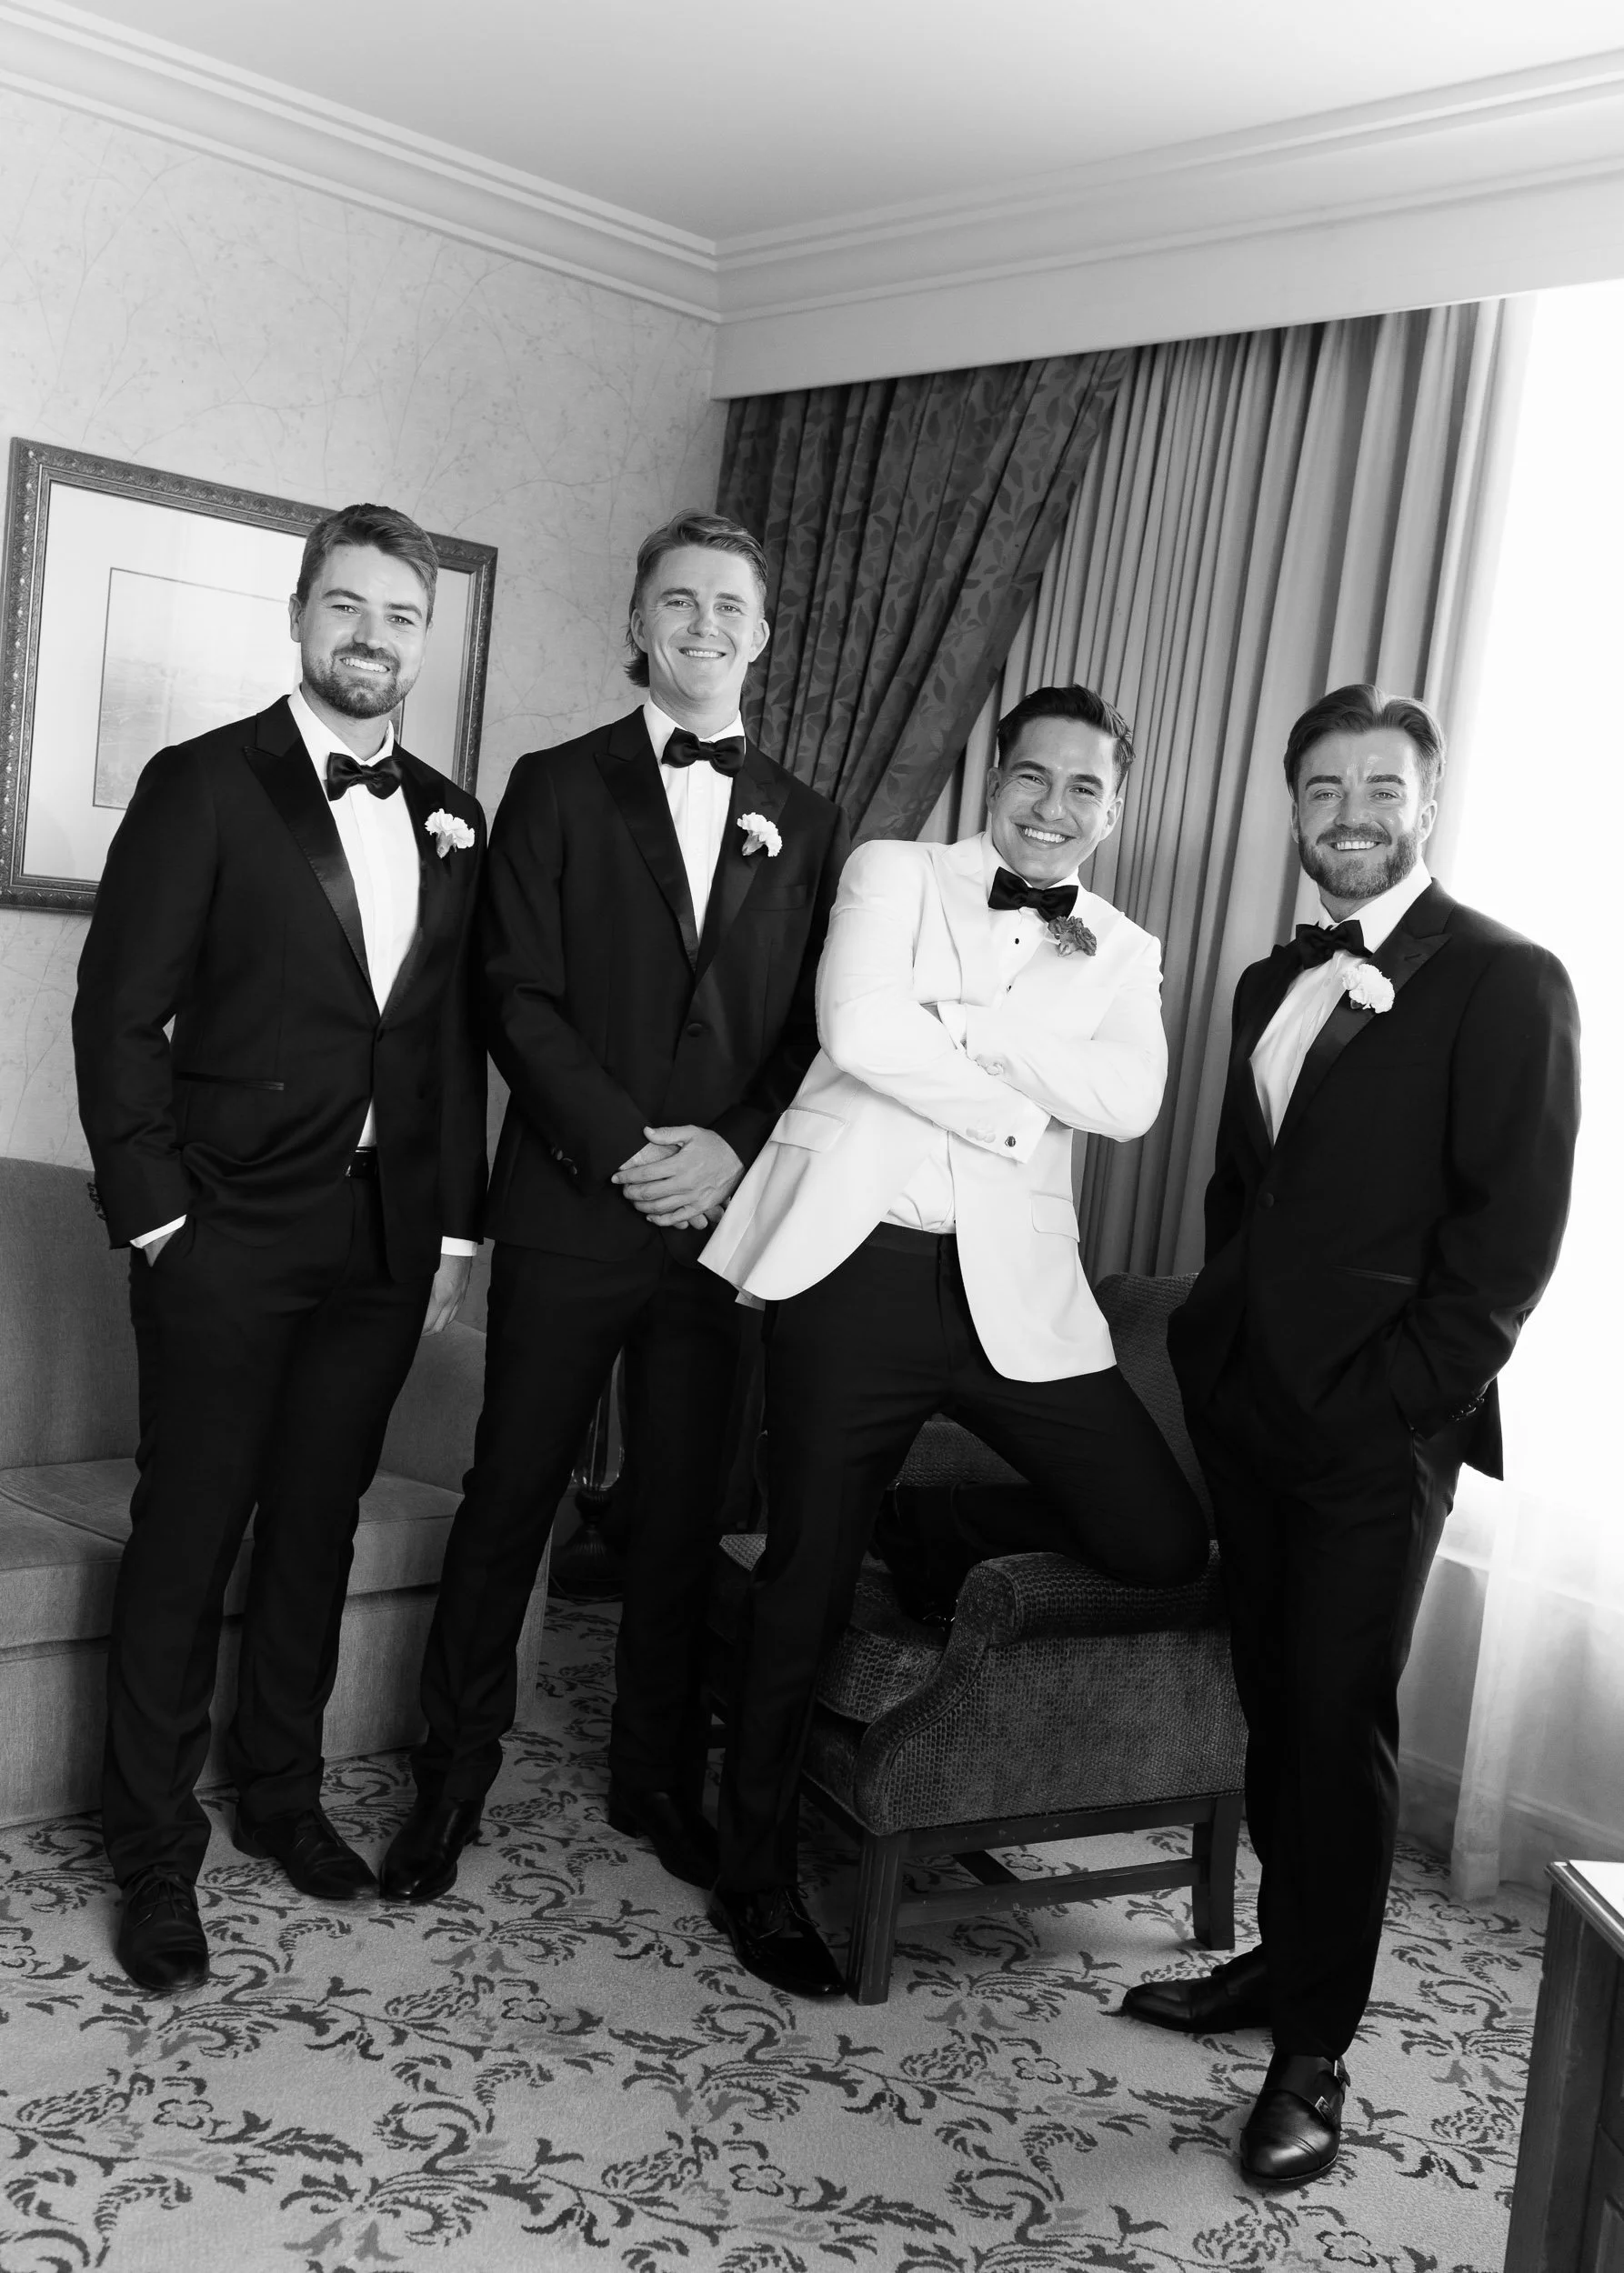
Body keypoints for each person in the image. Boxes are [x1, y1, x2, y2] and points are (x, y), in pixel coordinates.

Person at [1121, 684, 1580, 2187]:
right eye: (1321, 791)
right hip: (1247, 1408)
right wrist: (1213, 1350)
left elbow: (1507, 1240)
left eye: (1380, 788)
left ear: (1426, 802)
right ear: (1293, 811)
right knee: (1272, 1703)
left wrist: (1399, 1408)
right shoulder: (1270, 978)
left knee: (1338, 1724)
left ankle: (1314, 2053)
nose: (1350, 815)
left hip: (1378, 1435)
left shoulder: (1506, 979)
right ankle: (1279, 1963)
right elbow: (1245, 1194)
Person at [701, 683, 1211, 1997]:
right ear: (995, 777)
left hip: (1015, 1291)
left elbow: (1131, 1100)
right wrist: (1021, 1090)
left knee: (1157, 1537)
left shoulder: (1125, 947)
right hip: (854, 1269)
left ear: (1114, 807)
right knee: (805, 1580)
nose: (1054, 806)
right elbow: (856, 1029)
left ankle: (923, 1532)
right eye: (1033, 776)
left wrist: (967, 1024)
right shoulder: (895, 871)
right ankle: (754, 1872)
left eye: (1085, 786)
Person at [381, 511, 848, 1904]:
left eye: (729, 606)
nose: (704, 625)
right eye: (678, 601)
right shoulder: (553, 784)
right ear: (638, 623)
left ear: (764, 635)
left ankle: (650, 1781)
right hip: (570, 1206)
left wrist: (729, 1151)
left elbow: (816, 1027)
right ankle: (450, 1782)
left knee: (681, 1518)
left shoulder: (810, 820)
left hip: (718, 1223)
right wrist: (624, 1145)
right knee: (509, 1496)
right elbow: (510, 992)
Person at [74, 502, 486, 1992]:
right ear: (301, 614)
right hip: (226, 1229)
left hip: (383, 1238)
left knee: (316, 1522)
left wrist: (451, 1231)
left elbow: (444, 1038)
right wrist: (159, 1217)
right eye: (347, 606)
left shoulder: (452, 811)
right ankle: (151, 1850)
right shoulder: (203, 782)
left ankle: (280, 1795)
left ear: (424, 641)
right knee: (190, 1534)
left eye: (400, 616)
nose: (371, 637)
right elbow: (117, 1013)